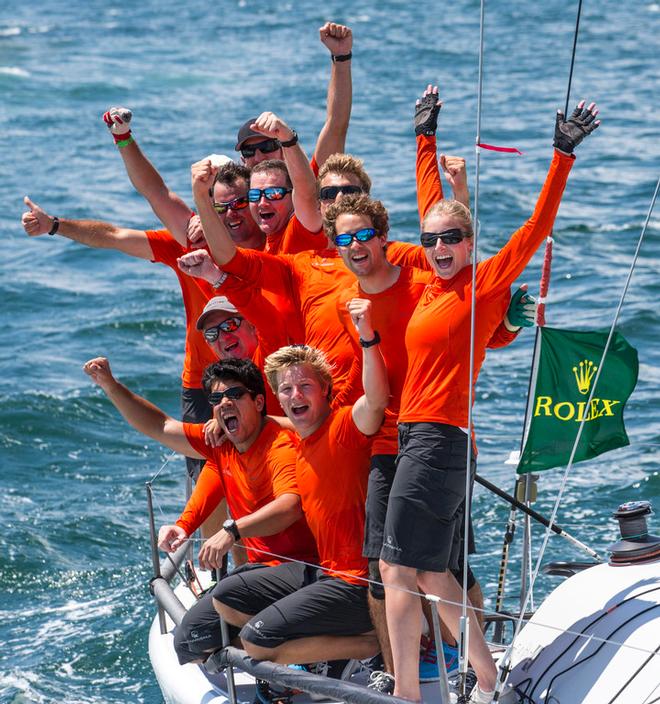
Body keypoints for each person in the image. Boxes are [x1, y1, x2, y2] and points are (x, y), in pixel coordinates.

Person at [379, 101, 600, 704]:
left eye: (452, 238)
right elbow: (431, 200)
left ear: (471, 241)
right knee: (427, 571)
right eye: (431, 240)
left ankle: (406, 695)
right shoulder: (429, 282)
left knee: (396, 571)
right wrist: (423, 136)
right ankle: (487, 678)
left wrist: (562, 154)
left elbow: (536, 226)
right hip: (419, 440)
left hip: (439, 440)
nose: (440, 246)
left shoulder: (484, 283)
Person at [324, 193, 531, 693]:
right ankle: (471, 680)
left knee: (416, 566)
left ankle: (412, 691)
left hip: (436, 438)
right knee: (410, 570)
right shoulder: (356, 302)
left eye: (363, 235)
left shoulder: (427, 282)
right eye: (343, 238)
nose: (355, 245)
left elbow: (474, 324)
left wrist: (508, 323)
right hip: (399, 439)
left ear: (383, 240)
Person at [82, 355, 318, 666]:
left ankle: (310, 658)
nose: (225, 403)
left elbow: (289, 507)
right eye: (217, 398)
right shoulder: (223, 445)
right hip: (262, 571)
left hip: (309, 568)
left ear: (259, 402)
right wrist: (111, 386)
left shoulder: (280, 446)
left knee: (228, 592)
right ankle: (284, 653)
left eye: (234, 394)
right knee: (190, 641)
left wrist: (230, 531)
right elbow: (161, 426)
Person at [211, 301, 389, 667]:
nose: (296, 396)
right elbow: (272, 425)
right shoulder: (300, 444)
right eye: (287, 389)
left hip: (357, 585)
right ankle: (328, 651)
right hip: (325, 572)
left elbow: (373, 402)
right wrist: (221, 416)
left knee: (256, 643)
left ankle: (373, 642)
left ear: (325, 390)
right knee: (227, 596)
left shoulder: (342, 428)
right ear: (275, 399)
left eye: (305, 386)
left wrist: (367, 340)